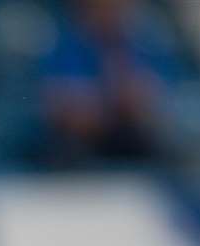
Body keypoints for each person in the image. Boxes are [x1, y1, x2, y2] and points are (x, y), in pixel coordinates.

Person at [37, 0, 171, 168]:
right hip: (80, 150)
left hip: (130, 143)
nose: (113, 16)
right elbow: (70, 113)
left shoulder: (138, 47)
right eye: (104, 8)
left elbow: (148, 103)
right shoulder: (64, 48)